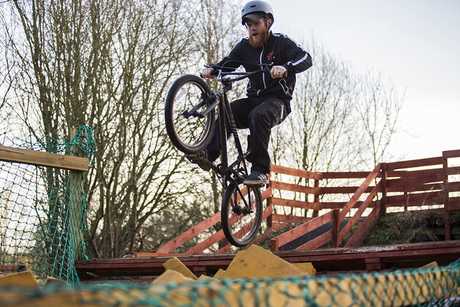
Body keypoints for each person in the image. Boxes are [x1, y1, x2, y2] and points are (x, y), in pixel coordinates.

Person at [189, 0, 312, 186]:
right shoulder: (244, 47)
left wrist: (286, 67)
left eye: (256, 23)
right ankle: (208, 154)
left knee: (259, 116)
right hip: (253, 99)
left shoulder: (281, 42)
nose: (252, 28)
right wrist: (213, 70)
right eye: (248, 24)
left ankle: (261, 170)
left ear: (267, 23)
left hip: (278, 102)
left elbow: (306, 58)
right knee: (227, 110)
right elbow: (228, 64)